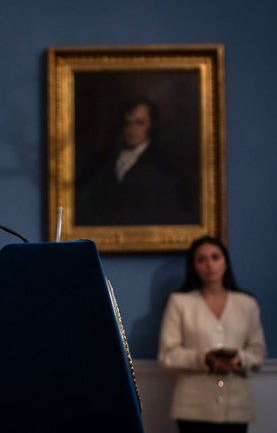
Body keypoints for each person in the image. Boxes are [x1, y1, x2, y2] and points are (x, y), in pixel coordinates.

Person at [158, 236, 266, 433]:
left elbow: (258, 353)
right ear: (194, 266)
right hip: (193, 408)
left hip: (236, 407)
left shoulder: (247, 304)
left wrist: (239, 358)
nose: (210, 264)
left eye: (215, 257)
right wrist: (203, 358)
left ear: (225, 261)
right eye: (202, 259)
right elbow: (168, 355)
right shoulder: (179, 302)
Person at [75, 96, 196, 226]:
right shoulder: (106, 158)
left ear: (152, 125)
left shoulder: (163, 162)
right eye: (128, 123)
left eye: (139, 123)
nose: (132, 129)